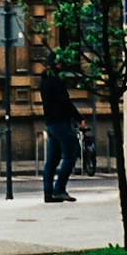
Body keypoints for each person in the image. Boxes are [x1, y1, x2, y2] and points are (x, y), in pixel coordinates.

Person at [38, 54, 83, 202]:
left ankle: (48, 193)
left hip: (50, 124)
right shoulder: (56, 80)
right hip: (61, 123)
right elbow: (65, 102)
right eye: (60, 63)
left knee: (52, 160)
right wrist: (79, 118)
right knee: (71, 154)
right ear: (56, 64)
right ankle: (59, 189)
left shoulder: (43, 81)